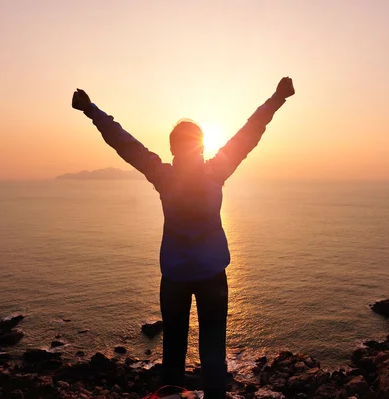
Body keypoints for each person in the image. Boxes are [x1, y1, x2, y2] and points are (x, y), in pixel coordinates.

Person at [72, 77, 295, 399]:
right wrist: (277, 98)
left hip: (175, 277)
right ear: (201, 146)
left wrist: (91, 110)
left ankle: (171, 394)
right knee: (213, 344)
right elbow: (250, 132)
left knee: (174, 345)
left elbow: (124, 142)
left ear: (173, 148)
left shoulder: (163, 175)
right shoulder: (216, 171)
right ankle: (215, 396)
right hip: (212, 276)